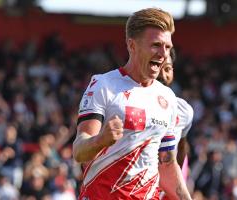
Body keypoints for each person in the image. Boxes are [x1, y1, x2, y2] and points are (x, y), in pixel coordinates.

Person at [73, 8, 192, 200]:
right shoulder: (103, 85)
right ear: (132, 45)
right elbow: (79, 151)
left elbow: (167, 164)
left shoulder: (168, 98)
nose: (163, 54)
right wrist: (100, 140)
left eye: (168, 47)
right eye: (156, 45)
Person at [157, 49, 194, 199]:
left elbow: (182, 146)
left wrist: (175, 180)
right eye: (158, 68)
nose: (162, 75)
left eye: (167, 69)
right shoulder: (131, 103)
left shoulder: (184, 110)